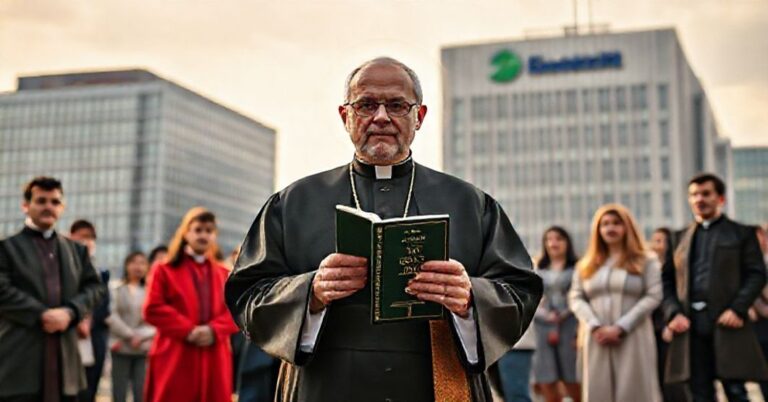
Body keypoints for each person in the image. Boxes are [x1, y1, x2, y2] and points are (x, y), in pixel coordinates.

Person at [225, 57, 543, 402]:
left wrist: (469, 298)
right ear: (345, 116)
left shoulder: (471, 203)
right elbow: (247, 294)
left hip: (433, 385)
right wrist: (310, 292)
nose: (380, 117)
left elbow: (519, 290)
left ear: (418, 117)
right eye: (365, 105)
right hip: (325, 386)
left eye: (396, 105)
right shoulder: (292, 203)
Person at [661, 174, 768, 402]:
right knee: (699, 392)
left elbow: (757, 275)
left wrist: (738, 309)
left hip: (728, 322)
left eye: (706, 194)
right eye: (694, 195)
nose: (700, 199)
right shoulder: (677, 238)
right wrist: (673, 313)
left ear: (720, 198)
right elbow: (666, 281)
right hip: (690, 325)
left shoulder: (743, 234)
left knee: (736, 390)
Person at [0, 176, 106, 402]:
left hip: (66, 361)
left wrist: (70, 312)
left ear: (62, 207)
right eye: (41, 201)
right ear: (25, 206)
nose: (48, 207)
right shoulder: (6, 248)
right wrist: (41, 314)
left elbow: (96, 287)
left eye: (55, 202)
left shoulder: (77, 251)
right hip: (18, 360)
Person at [142, 207, 239, 402]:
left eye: (209, 231)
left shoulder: (225, 274)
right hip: (175, 354)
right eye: (198, 230)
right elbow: (152, 308)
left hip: (215, 355)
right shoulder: (164, 270)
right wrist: (188, 330)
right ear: (186, 233)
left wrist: (213, 330)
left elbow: (237, 311)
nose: (203, 235)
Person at [568, 203, 662, 402]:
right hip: (596, 337)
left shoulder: (646, 260)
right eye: (605, 224)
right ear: (597, 230)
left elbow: (654, 295)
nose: (610, 228)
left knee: (635, 390)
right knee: (597, 391)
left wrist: (621, 327)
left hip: (633, 335)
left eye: (617, 223)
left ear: (627, 227)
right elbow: (575, 297)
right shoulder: (586, 264)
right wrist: (594, 325)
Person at [531, 226, 580, 402]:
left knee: (573, 377)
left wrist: (564, 313)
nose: (553, 243)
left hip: (571, 326)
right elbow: (531, 300)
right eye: (549, 239)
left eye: (559, 238)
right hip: (543, 327)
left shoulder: (578, 268)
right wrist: (545, 315)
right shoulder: (537, 270)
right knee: (546, 378)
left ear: (567, 242)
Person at [68, 219, 110, 402]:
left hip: (93, 340)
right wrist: (76, 319)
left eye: (91, 238)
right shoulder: (62, 267)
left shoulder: (102, 274)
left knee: (88, 391)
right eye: (83, 237)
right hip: (68, 336)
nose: (87, 241)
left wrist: (89, 322)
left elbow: (104, 306)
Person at [107, 252, 155, 402]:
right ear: (126, 265)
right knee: (118, 393)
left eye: (142, 263)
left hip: (144, 348)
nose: (138, 267)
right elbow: (110, 315)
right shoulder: (115, 288)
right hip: (120, 346)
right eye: (134, 262)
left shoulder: (152, 290)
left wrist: (140, 337)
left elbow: (155, 318)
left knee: (142, 393)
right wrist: (130, 335)